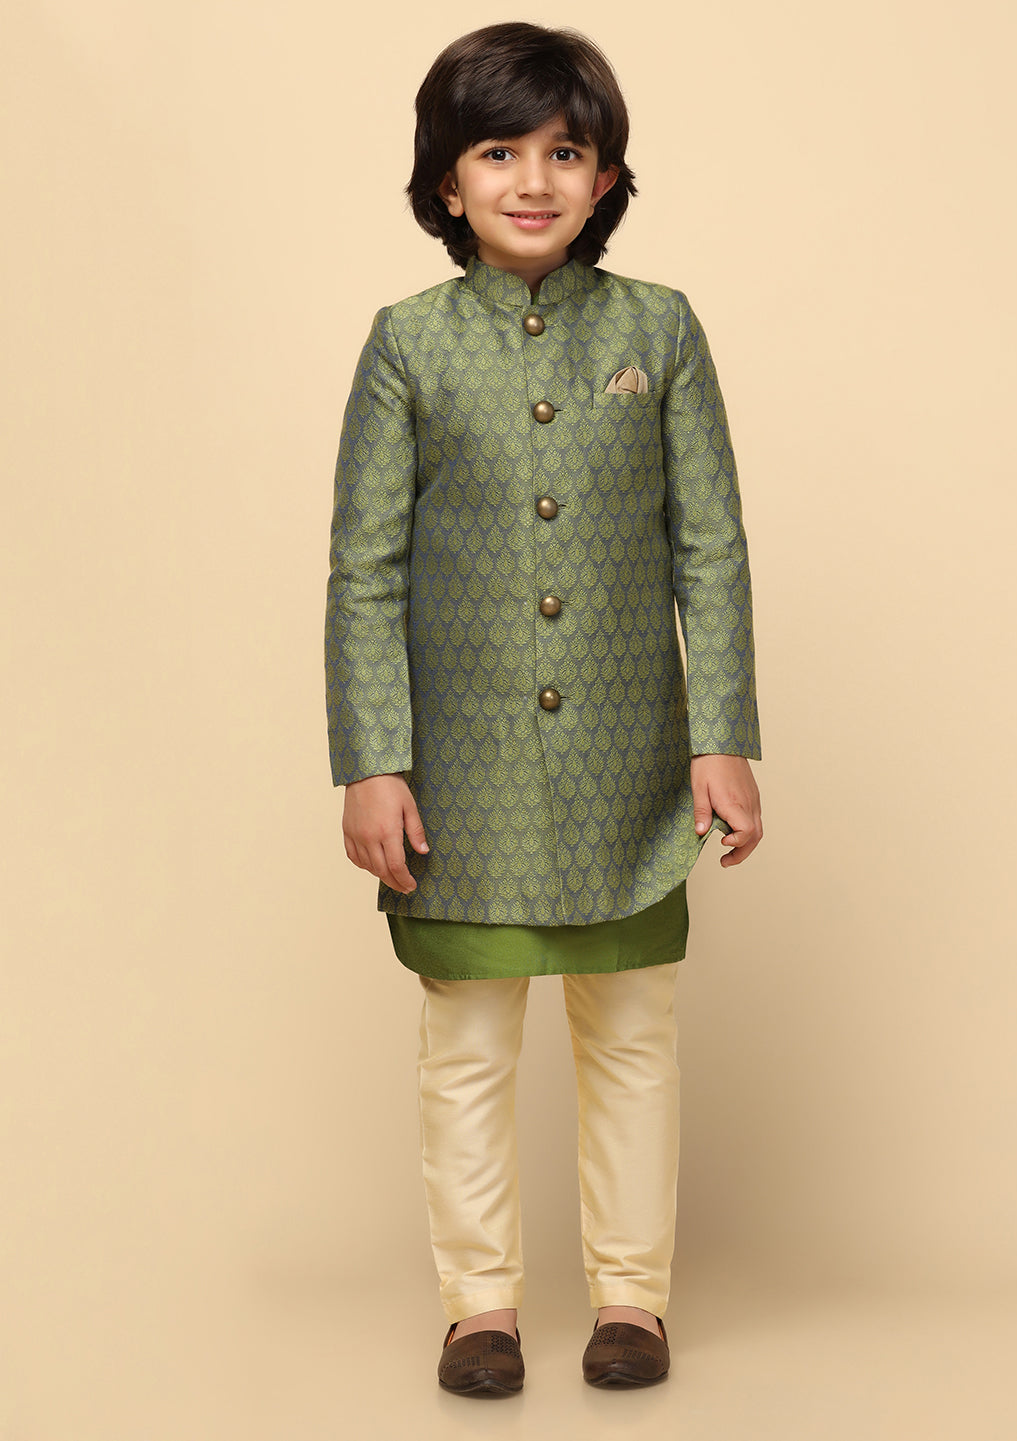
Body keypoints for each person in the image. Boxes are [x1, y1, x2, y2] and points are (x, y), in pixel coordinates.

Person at [324, 21, 763, 1395]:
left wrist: (722, 734)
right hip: (460, 773)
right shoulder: (407, 344)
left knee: (632, 1035)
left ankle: (632, 1300)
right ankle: (481, 1310)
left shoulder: (659, 328)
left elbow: (711, 546)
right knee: (465, 1045)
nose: (533, 180)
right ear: (445, 182)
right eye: (498, 151)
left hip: (634, 765)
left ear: (606, 176)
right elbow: (364, 568)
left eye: (566, 152)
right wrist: (372, 761)